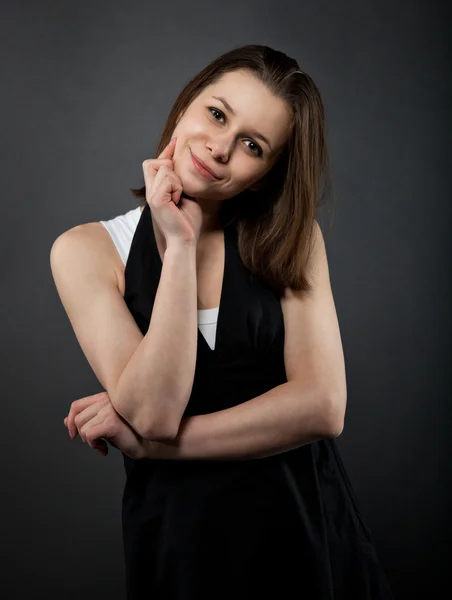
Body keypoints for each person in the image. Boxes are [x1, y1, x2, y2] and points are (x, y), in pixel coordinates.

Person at [50, 45, 393, 599]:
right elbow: (155, 411)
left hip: (305, 533)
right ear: (186, 105)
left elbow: (324, 406)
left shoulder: (294, 241)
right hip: (181, 544)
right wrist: (180, 248)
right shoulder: (87, 250)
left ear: (263, 175)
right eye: (216, 113)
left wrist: (158, 449)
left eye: (252, 145)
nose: (220, 147)